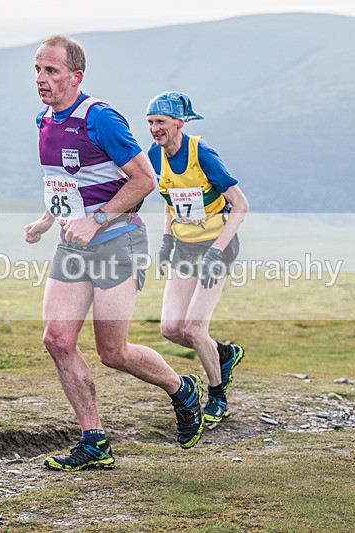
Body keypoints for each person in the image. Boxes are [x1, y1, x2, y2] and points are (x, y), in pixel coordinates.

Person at [24, 36, 205, 471]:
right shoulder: (44, 120)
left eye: (51, 71)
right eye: (37, 70)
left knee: (113, 352)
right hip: (73, 243)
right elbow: (66, 179)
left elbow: (144, 180)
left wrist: (98, 219)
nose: (41, 79)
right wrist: (50, 218)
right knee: (57, 340)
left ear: (75, 76)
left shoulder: (100, 118)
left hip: (117, 240)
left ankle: (182, 389)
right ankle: (94, 440)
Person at [146, 91, 250, 424]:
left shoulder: (202, 154)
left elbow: (241, 205)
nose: (154, 129)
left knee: (193, 327)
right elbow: (170, 196)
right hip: (186, 247)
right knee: (170, 328)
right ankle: (223, 354)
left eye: (160, 122)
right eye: (150, 123)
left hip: (217, 247)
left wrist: (217, 252)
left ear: (179, 123)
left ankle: (217, 395)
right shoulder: (155, 154)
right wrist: (166, 238)